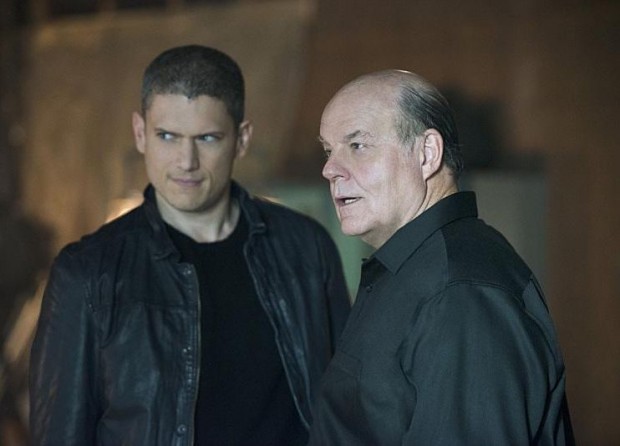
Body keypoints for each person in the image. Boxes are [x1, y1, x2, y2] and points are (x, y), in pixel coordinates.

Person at [29, 45, 350, 446]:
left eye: (207, 138)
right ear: (140, 133)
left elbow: (346, 402)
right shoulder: (88, 272)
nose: (186, 161)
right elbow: (60, 433)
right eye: (167, 136)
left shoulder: (306, 248)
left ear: (241, 139)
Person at [309, 70, 574, 445]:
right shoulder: (417, 269)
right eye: (328, 150)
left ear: (427, 153)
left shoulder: (461, 291)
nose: (329, 169)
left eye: (357, 145)